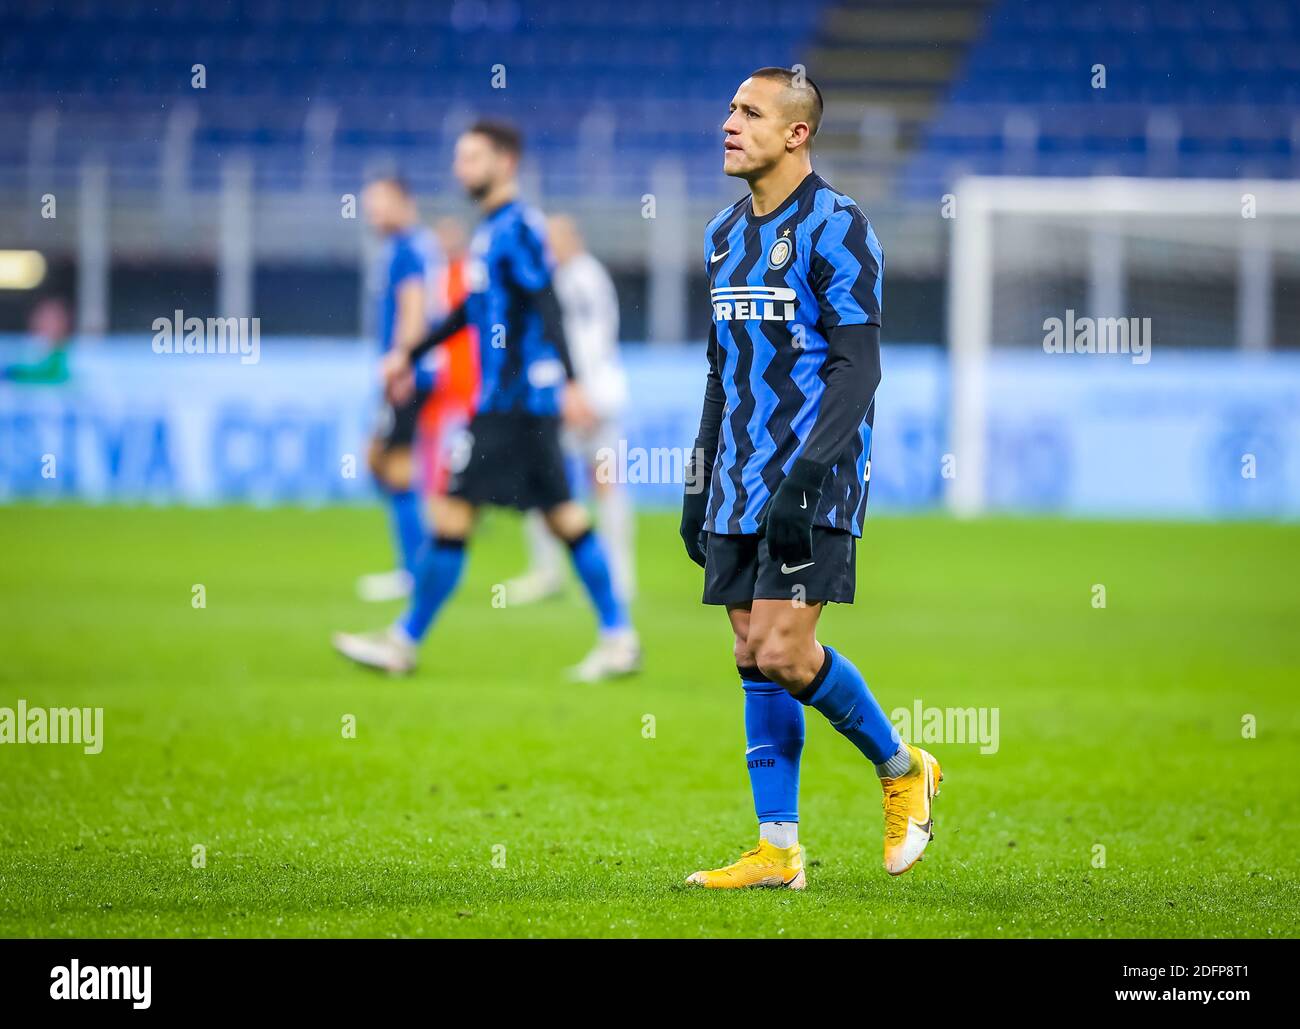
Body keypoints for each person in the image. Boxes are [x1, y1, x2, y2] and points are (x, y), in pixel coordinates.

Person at [680, 68, 942, 889]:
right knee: (751, 654)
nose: (729, 123)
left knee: (789, 652)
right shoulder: (724, 234)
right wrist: (697, 480)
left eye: (749, 112)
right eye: (728, 109)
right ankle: (778, 848)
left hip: (814, 477)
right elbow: (722, 375)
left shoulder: (839, 226)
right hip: (735, 477)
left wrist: (804, 479)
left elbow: (858, 370)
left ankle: (903, 767)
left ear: (797, 133)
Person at [333, 121, 640, 682]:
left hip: (513, 405)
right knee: (564, 517)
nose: (461, 168)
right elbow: (467, 315)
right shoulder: (491, 230)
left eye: (472, 157)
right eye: (459, 158)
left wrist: (570, 381)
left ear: (507, 162)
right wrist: (411, 351)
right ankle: (618, 635)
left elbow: (547, 302)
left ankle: (404, 642)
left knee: (455, 512)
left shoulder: (520, 227)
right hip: (514, 406)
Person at [504, 214, 634, 605]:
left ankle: (608, 575)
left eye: (554, 239)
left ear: (572, 238)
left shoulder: (581, 278)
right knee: (558, 482)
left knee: (596, 483)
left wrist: (579, 392)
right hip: (580, 394)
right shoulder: (569, 276)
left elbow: (593, 340)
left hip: (587, 398)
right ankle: (556, 573)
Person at [354, 177, 445, 604]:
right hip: (414, 370)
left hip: (409, 372)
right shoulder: (414, 245)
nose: (372, 215)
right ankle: (416, 565)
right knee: (383, 462)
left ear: (404, 202)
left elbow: (413, 309)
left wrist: (404, 364)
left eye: (379, 205)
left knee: (392, 465)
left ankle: (415, 571)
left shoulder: (408, 248)